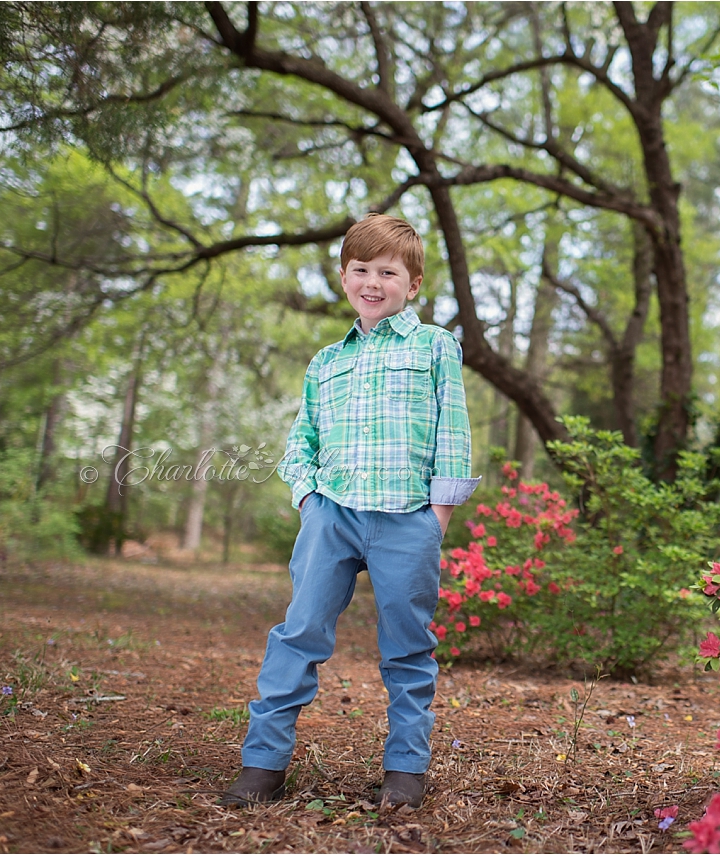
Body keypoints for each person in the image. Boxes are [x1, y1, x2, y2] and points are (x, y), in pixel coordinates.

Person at [222, 214, 479, 810]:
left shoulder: (435, 346)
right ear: (343, 278)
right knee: (298, 632)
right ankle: (263, 764)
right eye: (360, 269)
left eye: (388, 272)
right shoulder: (326, 362)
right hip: (332, 515)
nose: (373, 281)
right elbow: (302, 436)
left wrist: (436, 516)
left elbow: (454, 432)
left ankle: (405, 771)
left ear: (411, 284)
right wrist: (310, 500)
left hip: (406, 516)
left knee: (407, 646)